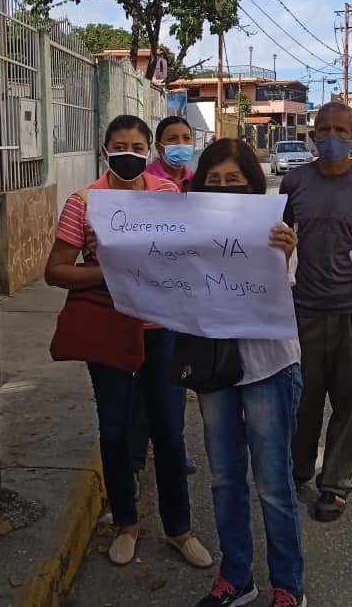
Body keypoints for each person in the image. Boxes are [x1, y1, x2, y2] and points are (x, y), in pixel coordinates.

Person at [44, 115, 212, 569]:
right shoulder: (84, 203)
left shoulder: (169, 198)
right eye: (120, 146)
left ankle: (179, 529)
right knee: (115, 430)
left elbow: (190, 259)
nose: (129, 154)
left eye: (138, 147)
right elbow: (55, 271)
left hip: (161, 331)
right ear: (105, 151)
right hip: (109, 329)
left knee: (169, 432)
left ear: (148, 152)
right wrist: (109, 271)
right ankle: (125, 523)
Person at [191, 139, 307, 607]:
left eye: (233, 181)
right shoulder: (186, 232)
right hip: (213, 368)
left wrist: (283, 253)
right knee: (223, 477)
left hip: (268, 367)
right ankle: (236, 576)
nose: (223, 188)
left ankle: (288, 586)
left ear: (253, 185)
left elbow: (279, 290)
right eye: (213, 181)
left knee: (273, 482)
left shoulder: (276, 229)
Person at [281, 102, 352, 522]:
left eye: (341, 131)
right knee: (302, 400)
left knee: (351, 402)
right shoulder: (293, 183)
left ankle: (335, 482)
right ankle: (297, 469)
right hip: (303, 309)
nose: (331, 137)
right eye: (323, 130)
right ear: (312, 136)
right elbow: (280, 238)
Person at [136, 115, 198, 480]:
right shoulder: (145, 184)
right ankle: (138, 457)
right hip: (146, 296)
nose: (180, 143)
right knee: (143, 384)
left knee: (174, 381)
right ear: (159, 146)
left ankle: (173, 450)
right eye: (172, 138)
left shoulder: (198, 184)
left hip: (185, 298)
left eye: (186, 137)